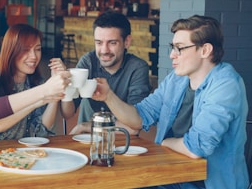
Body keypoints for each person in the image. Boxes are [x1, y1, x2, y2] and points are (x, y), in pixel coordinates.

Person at [92, 15, 249, 189]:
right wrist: (108, 96)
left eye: (180, 48)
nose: (172, 55)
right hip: (170, 176)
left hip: (207, 183)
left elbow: (196, 148)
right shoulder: (176, 80)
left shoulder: (226, 84)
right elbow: (139, 116)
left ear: (205, 50)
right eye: (172, 47)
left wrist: (164, 142)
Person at [60, 10, 151, 134]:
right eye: (99, 42)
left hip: (122, 142)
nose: (104, 50)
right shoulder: (88, 62)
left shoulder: (137, 68)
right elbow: (67, 113)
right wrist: (66, 88)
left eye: (112, 43)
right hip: (88, 140)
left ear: (127, 42)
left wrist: (86, 127)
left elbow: (134, 126)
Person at [0, 23, 66, 142]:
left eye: (37, 49)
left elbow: (42, 132)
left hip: (23, 155)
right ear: (11, 51)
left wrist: (54, 95)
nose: (33, 56)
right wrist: (36, 101)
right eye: (26, 50)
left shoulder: (38, 82)